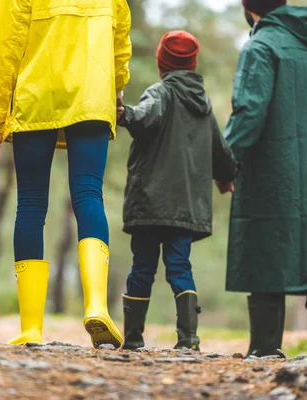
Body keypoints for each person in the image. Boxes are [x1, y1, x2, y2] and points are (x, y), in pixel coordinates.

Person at [0, 0, 132, 348]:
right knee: (88, 194)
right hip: (93, 96)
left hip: (36, 97)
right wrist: (117, 88)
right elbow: (120, 42)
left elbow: (5, 49)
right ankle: (96, 306)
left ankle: (31, 328)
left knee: (31, 204)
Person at [222, 0, 307, 361]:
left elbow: (248, 113)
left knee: (265, 247)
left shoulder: (260, 48)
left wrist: (224, 163)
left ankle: (265, 348)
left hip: (271, 173)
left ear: (247, 6)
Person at [117, 31, 237, 351]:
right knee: (180, 267)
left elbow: (143, 118)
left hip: (149, 202)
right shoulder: (203, 104)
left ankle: (132, 338)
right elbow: (219, 148)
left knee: (142, 267)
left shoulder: (160, 93)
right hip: (184, 208)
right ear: (192, 64)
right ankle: (189, 338)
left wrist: (123, 113)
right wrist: (226, 177)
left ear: (162, 64)